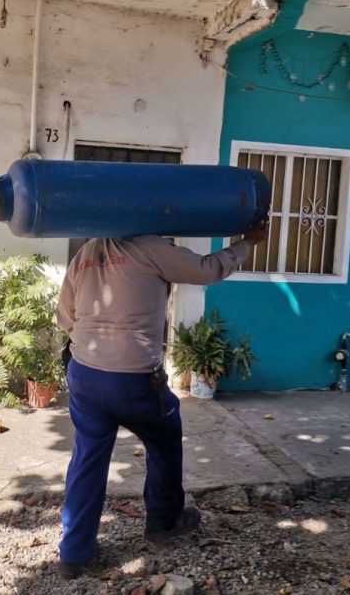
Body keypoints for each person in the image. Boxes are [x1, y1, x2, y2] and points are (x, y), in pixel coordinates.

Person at [55, 221, 270, 579]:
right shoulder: (152, 247)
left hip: (86, 374)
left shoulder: (86, 252)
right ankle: (164, 521)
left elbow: (66, 316)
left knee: (87, 456)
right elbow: (208, 268)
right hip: (134, 378)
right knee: (164, 436)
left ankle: (74, 555)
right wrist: (247, 242)